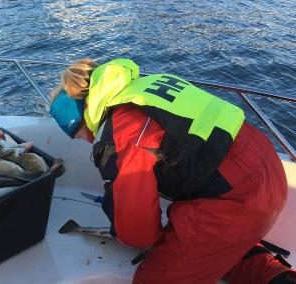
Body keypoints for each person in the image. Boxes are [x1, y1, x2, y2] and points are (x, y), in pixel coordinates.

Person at [49, 58, 295, 283]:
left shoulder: (118, 131)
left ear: (81, 121)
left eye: (79, 136)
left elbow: (139, 233)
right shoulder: (142, 88)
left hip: (235, 195)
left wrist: (122, 228)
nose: (86, 141)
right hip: (266, 168)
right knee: (217, 248)